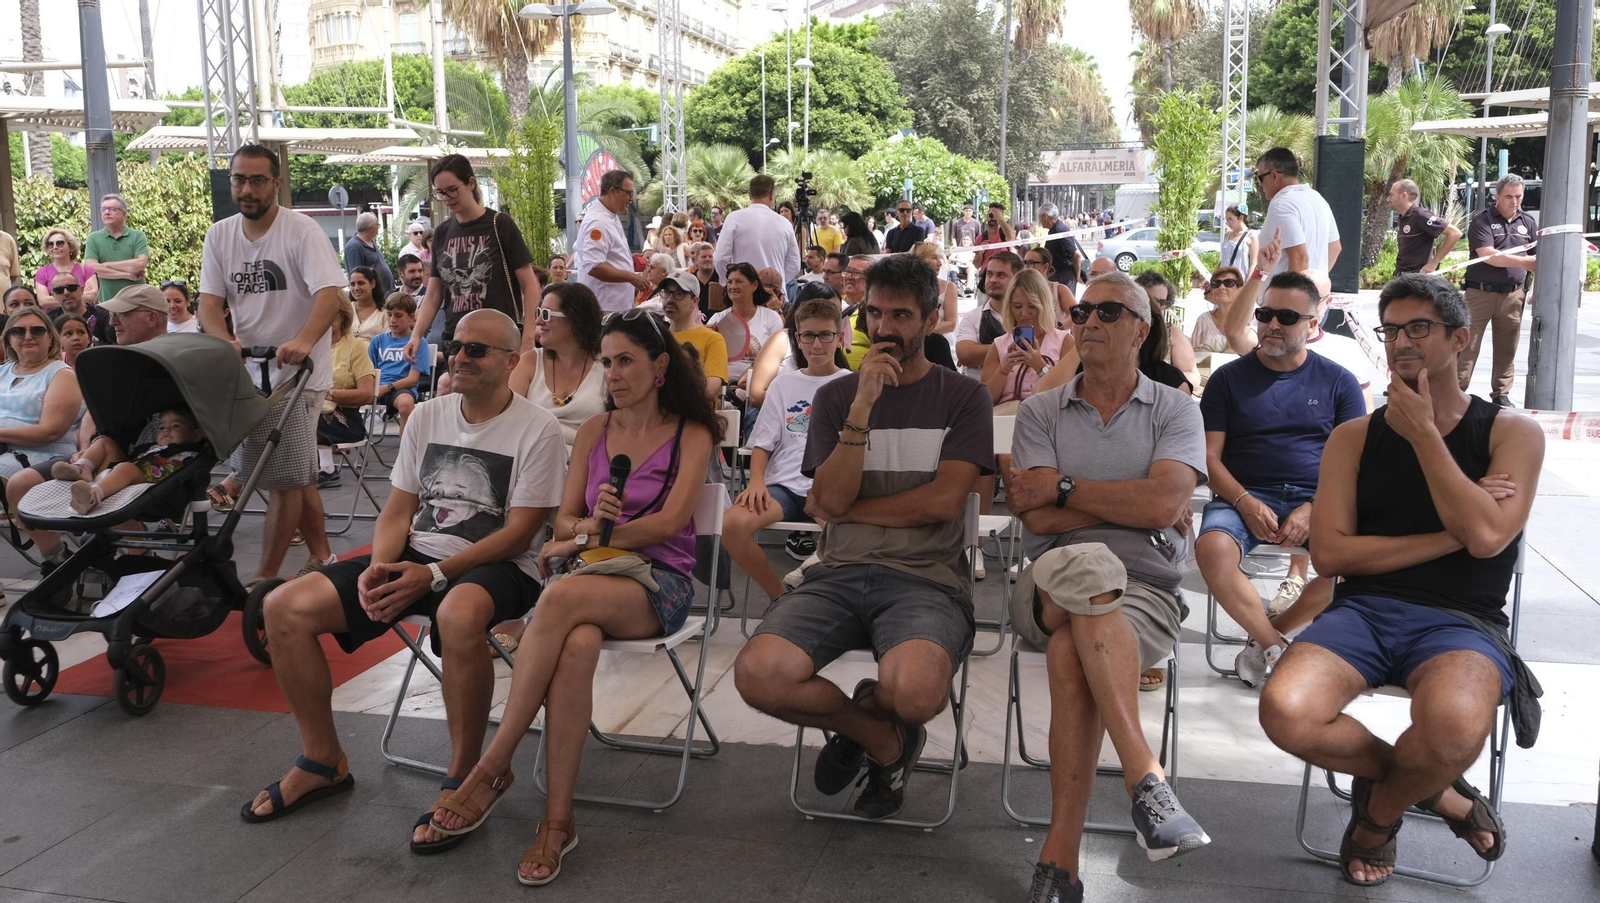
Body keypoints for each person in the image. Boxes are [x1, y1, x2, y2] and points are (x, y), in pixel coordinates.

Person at [243, 310, 565, 855]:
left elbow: (520, 534)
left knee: (458, 613)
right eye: (457, 345)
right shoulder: (427, 416)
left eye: (477, 350)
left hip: (501, 566)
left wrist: (434, 574)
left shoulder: (538, 428)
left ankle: (463, 775)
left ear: (512, 362)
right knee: (284, 607)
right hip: (418, 552)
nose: (460, 356)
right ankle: (323, 760)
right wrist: (379, 567)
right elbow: (398, 511)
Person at [1259, 273, 1543, 887]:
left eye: (1419, 328)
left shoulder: (1511, 433)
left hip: (1463, 622)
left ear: (1461, 339)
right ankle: (1440, 793)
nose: (1401, 342)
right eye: (1391, 330)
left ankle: (1377, 819)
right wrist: (1451, 535)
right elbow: (1332, 555)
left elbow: (1491, 540)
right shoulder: (1354, 436)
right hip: (1364, 611)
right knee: (1285, 709)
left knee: (1454, 725)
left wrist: (1424, 437)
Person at [426, 308, 718, 886]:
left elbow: (668, 525)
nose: (611, 373)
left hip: (662, 582)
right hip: (592, 579)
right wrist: (585, 527)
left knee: (558, 604)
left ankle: (492, 765)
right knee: (577, 644)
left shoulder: (693, 432)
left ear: (661, 365)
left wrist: (587, 533)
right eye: (607, 362)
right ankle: (557, 822)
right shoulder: (594, 432)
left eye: (625, 360)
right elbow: (561, 522)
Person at [733, 252, 992, 822]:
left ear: (928, 320)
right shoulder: (836, 398)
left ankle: (874, 718)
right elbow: (825, 503)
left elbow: (944, 503)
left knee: (917, 695)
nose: (884, 329)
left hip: (926, 579)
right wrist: (862, 406)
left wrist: (853, 510)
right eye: (874, 314)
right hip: (838, 574)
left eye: (900, 316)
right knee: (757, 675)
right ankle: (880, 740)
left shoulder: (964, 399)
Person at [1005, 271, 1212, 903]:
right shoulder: (1041, 409)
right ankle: (1144, 775)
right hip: (1046, 580)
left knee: (1074, 651)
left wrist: (1066, 488)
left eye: (1109, 313)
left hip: (1145, 593)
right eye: (1083, 311)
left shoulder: (1176, 408)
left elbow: (1162, 504)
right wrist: (1132, 503)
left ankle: (1059, 859)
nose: (1089, 321)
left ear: (1142, 331)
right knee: (1087, 567)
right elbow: (1035, 519)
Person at [1195, 271, 1365, 687]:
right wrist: (1243, 501)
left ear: (1313, 322)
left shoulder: (1339, 382)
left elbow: (1356, 465)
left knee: (1350, 568)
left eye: (1286, 317)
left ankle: (1270, 638)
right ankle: (1273, 646)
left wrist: (1315, 507)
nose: (1272, 324)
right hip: (1242, 495)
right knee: (1212, 549)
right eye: (1265, 313)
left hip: (1319, 498)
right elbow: (1208, 457)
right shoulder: (1227, 380)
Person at [196, 143, 342, 590]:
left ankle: (264, 579)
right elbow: (208, 304)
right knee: (294, 472)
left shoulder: (301, 231)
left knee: (281, 479)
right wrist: (225, 344)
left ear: (276, 183)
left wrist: (301, 340)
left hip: (300, 377)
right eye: (239, 179)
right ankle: (323, 555)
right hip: (251, 374)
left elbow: (330, 294)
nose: (247, 188)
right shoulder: (220, 235)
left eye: (258, 180)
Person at [723, 297, 850, 601]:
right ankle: (779, 597)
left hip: (833, 488)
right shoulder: (783, 384)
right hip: (785, 486)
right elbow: (763, 444)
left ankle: (817, 571)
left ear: (839, 337)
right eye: (808, 336)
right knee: (731, 525)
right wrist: (756, 481)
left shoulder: (852, 384)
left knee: (852, 536)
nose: (817, 344)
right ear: (797, 339)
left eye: (825, 335)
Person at [409, 155, 541, 353]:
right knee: (450, 384)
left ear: (471, 183)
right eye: (441, 193)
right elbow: (434, 294)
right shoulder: (442, 233)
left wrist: (528, 337)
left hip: (498, 338)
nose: (446, 198)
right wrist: (416, 335)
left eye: (452, 190)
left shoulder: (500, 224)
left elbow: (530, 285)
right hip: (456, 337)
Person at [1459, 173, 1538, 408]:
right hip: (1479, 294)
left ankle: (1501, 393)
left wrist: (1533, 288)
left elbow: (1540, 257)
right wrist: (1523, 262)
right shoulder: (1482, 220)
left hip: (1513, 295)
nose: (1514, 201)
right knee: (1466, 345)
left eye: (1519, 196)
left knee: (1507, 347)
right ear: (1497, 196)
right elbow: (1487, 255)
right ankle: (1456, 389)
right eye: (1509, 196)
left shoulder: (1529, 222)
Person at [52, 405, 205, 515]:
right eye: (162, 427)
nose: (166, 430)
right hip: (121, 474)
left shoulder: (190, 453)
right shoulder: (151, 446)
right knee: (105, 442)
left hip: (152, 485)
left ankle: (91, 497)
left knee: (126, 468)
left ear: (195, 435)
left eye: (176, 426)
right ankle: (81, 468)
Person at [509, 282, 607, 450]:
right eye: (539, 312)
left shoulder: (607, 365)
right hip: (534, 458)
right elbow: (508, 421)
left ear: (575, 319)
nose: (538, 321)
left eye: (546, 314)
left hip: (589, 463)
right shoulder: (530, 361)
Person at [0, 308, 83, 485]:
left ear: (51, 337)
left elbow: (50, 431)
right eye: (18, 331)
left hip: (45, 457)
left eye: (37, 330)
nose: (28, 336)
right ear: (9, 339)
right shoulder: (2, 372)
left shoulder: (61, 374)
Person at [981, 268, 1072, 413]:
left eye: (1032, 306)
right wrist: (1003, 370)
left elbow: (1071, 397)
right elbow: (984, 401)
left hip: (1050, 421)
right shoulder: (999, 345)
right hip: (1008, 422)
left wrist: (1041, 367)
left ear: (1044, 305)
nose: (1024, 313)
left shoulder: (1064, 342)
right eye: (1017, 306)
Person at [313, 301, 378, 490]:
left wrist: (327, 393)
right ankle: (316, 468)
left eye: (330, 314)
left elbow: (366, 394)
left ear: (343, 317)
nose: (323, 319)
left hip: (347, 421)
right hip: (314, 412)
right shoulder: (312, 347)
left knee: (302, 417)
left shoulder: (355, 347)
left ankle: (326, 469)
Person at [1255, 147, 1341, 275]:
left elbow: (1300, 257)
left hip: (1284, 293)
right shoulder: (1317, 198)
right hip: (1313, 292)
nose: (1260, 185)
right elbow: (1335, 248)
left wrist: (1293, 293)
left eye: (1260, 178)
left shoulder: (1281, 204)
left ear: (1274, 175)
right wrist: (1316, 283)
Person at [713, 175, 802, 284]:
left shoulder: (734, 219)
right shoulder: (785, 223)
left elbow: (720, 258)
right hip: (774, 294)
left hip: (743, 293)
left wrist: (730, 282)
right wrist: (778, 282)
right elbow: (794, 264)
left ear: (750, 194)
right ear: (771, 194)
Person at [710, 262, 784, 387]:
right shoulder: (717, 319)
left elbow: (778, 357)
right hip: (721, 387)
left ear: (754, 285)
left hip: (757, 384)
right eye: (730, 282)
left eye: (739, 281)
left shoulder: (771, 318)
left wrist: (752, 373)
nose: (733, 286)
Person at [659, 269, 729, 402]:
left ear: (694, 301)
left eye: (678, 294)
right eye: (666, 292)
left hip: (695, 416)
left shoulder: (712, 339)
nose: (669, 299)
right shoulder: (656, 337)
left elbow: (709, 391)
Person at [955, 251, 1022, 379]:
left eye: (1001, 275)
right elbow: (965, 354)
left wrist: (981, 352)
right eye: (989, 274)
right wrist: (1017, 347)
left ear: (1017, 278)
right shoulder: (972, 317)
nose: (992, 280)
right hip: (980, 391)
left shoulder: (1029, 315)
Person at [369, 293, 429, 434]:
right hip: (376, 386)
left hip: (401, 388)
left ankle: (405, 452)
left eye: (398, 315)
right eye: (389, 315)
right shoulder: (377, 341)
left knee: (406, 403)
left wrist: (386, 387)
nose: (392, 320)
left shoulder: (418, 343)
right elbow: (369, 372)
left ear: (411, 317)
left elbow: (412, 379)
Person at [1131, 270, 1198, 381]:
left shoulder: (1171, 332)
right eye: (1151, 300)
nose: (1156, 306)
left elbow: (1193, 376)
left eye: (1162, 302)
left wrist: (1160, 386)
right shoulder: (1121, 327)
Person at [83, 194, 149, 303]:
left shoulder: (137, 235)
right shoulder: (93, 238)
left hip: (138, 302)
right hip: (107, 303)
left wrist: (105, 265)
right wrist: (127, 275)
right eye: (103, 209)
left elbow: (140, 264)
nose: (107, 212)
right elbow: (91, 268)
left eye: (112, 209)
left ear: (124, 214)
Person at [1389, 179, 1462, 275]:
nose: (1388, 199)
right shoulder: (1403, 217)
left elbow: (1455, 233)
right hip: (1402, 275)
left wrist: (1434, 263)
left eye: (1391, 195)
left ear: (1404, 195)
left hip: (1418, 277)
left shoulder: (1420, 215)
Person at [47, 272, 115, 346]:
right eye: (59, 290)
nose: (66, 293)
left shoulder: (104, 316)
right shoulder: (48, 319)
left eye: (72, 287)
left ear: (82, 290)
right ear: (53, 295)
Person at [34, 228, 98, 305]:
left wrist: (55, 298)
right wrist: (79, 295)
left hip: (82, 316)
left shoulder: (86, 270)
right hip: (54, 317)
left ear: (71, 247)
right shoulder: (42, 272)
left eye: (60, 243)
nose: (55, 247)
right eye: (50, 244)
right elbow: (43, 301)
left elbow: (91, 297)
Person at [1189, 267, 1244, 354]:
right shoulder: (1203, 320)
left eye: (1228, 282)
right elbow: (1193, 355)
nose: (1221, 287)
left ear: (1239, 289)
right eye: (1216, 283)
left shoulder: (1251, 318)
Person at [910, 241, 960, 335]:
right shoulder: (906, 287)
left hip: (939, 340)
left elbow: (951, 324)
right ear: (919, 260)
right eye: (934, 258)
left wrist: (920, 331)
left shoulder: (948, 287)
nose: (940, 263)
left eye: (940, 258)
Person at [342, 212, 395, 298]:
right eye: (377, 226)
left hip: (385, 295)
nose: (378, 229)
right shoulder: (354, 247)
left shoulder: (371, 241)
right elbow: (356, 276)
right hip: (374, 298)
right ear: (372, 228)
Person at [1021, 247, 1079, 322]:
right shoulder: (1020, 290)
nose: (1026, 267)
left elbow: (1075, 314)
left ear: (1045, 267)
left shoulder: (1059, 290)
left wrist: (1059, 327)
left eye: (1031, 263)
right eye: (1025, 263)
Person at [1038, 204, 1084, 290]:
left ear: (1045, 216)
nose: (1040, 221)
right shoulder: (1055, 230)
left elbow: (1076, 255)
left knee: (1065, 302)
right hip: (1058, 276)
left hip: (1064, 277)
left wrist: (1077, 276)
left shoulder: (1059, 230)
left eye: (1040, 217)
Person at [346, 266, 387, 345]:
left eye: (361, 283)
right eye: (352, 284)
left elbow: (387, 342)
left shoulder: (385, 311)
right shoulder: (346, 309)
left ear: (372, 284)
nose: (356, 288)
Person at [691, 242, 726, 319]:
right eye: (703, 257)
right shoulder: (689, 281)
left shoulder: (723, 279)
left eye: (710, 256)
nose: (707, 259)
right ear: (696, 260)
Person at [977, 202, 1015, 270]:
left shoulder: (1004, 233)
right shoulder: (981, 238)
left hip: (1004, 272)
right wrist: (981, 252)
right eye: (991, 215)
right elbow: (976, 265)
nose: (993, 218)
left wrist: (1000, 219)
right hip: (987, 274)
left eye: (996, 215)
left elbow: (1011, 237)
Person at [1220, 205, 1258, 273]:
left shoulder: (1251, 236)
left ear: (1241, 218)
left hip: (1240, 281)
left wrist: (1248, 283)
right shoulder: (1227, 234)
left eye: (1230, 219)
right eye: (1226, 219)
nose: (1228, 223)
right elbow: (1223, 259)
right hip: (1223, 280)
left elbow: (1253, 265)